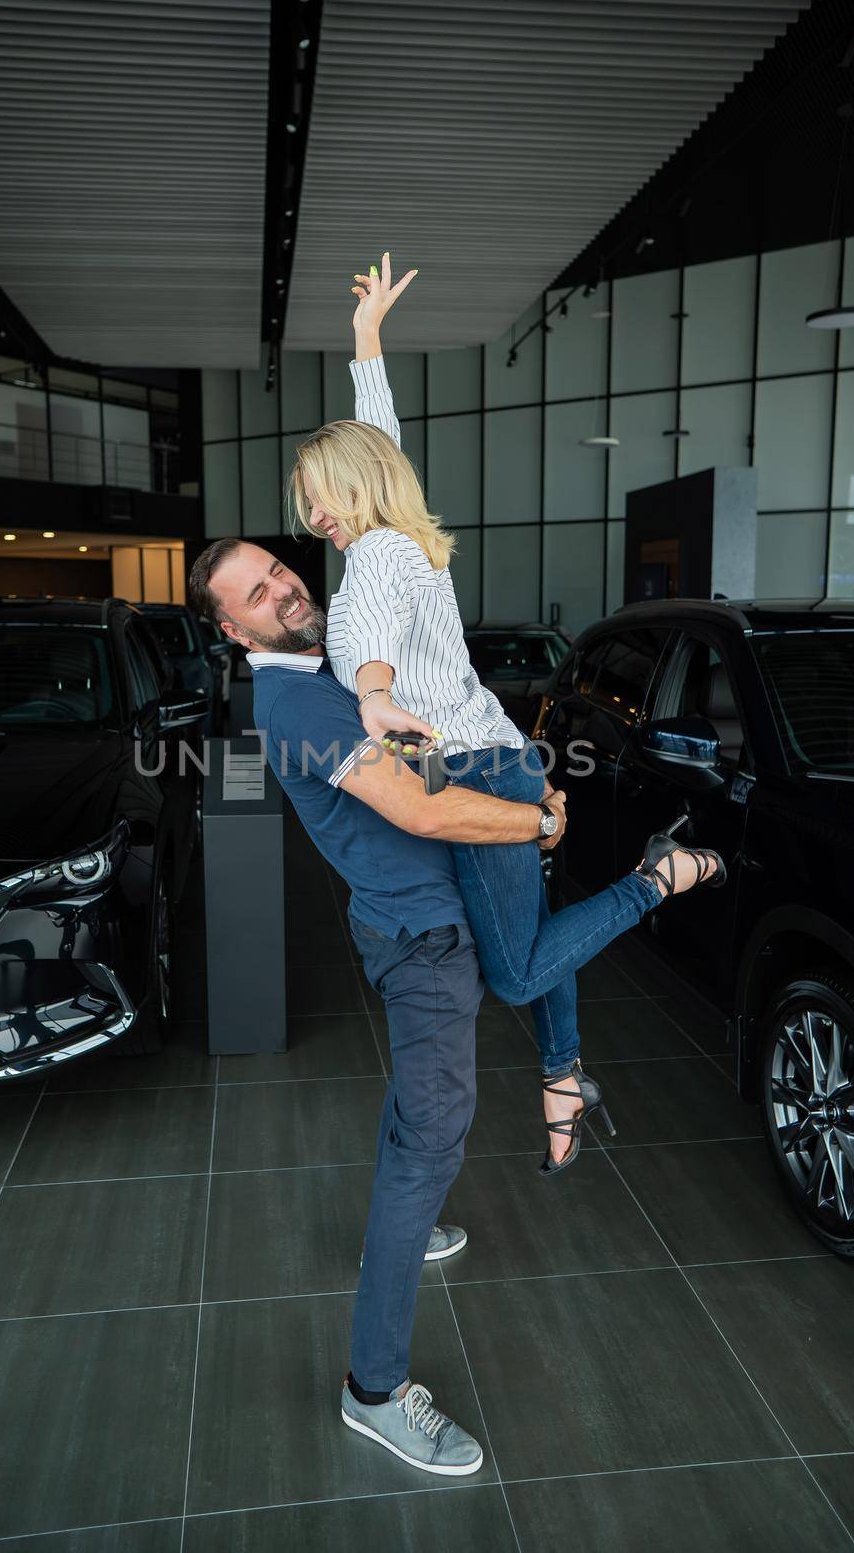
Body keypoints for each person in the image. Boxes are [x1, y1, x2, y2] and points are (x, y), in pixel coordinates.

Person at [188, 536, 720, 1475]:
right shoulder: (295, 702)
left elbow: (428, 774)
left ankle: (418, 1214)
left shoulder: (338, 671)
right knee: (435, 1132)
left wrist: (502, 808)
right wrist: (539, 820)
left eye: (278, 572)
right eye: (255, 595)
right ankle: (374, 1391)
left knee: (423, 1120)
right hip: (422, 941)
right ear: (230, 630)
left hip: (430, 913)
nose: (282, 590)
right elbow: (418, 810)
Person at [287, 250, 723, 1171]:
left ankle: (660, 875)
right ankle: (562, 1076)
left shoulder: (374, 561)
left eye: (316, 495)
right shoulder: (402, 537)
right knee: (531, 942)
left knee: (516, 968)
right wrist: (365, 340)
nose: (310, 515)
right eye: (305, 503)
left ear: (351, 486)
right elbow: (381, 439)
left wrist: (368, 692)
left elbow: (364, 639)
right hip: (487, 759)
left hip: (476, 770)